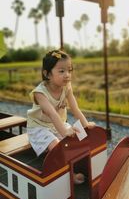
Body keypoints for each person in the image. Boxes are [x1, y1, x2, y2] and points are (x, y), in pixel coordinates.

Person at [27, 49, 95, 184]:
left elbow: (75, 108)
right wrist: (64, 132)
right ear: (47, 74)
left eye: (69, 70)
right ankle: (70, 175)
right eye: (61, 71)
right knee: (58, 146)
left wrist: (85, 124)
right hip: (39, 127)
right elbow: (52, 114)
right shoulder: (40, 93)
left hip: (57, 124)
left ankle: (88, 165)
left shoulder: (67, 87)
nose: (67, 75)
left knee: (80, 136)